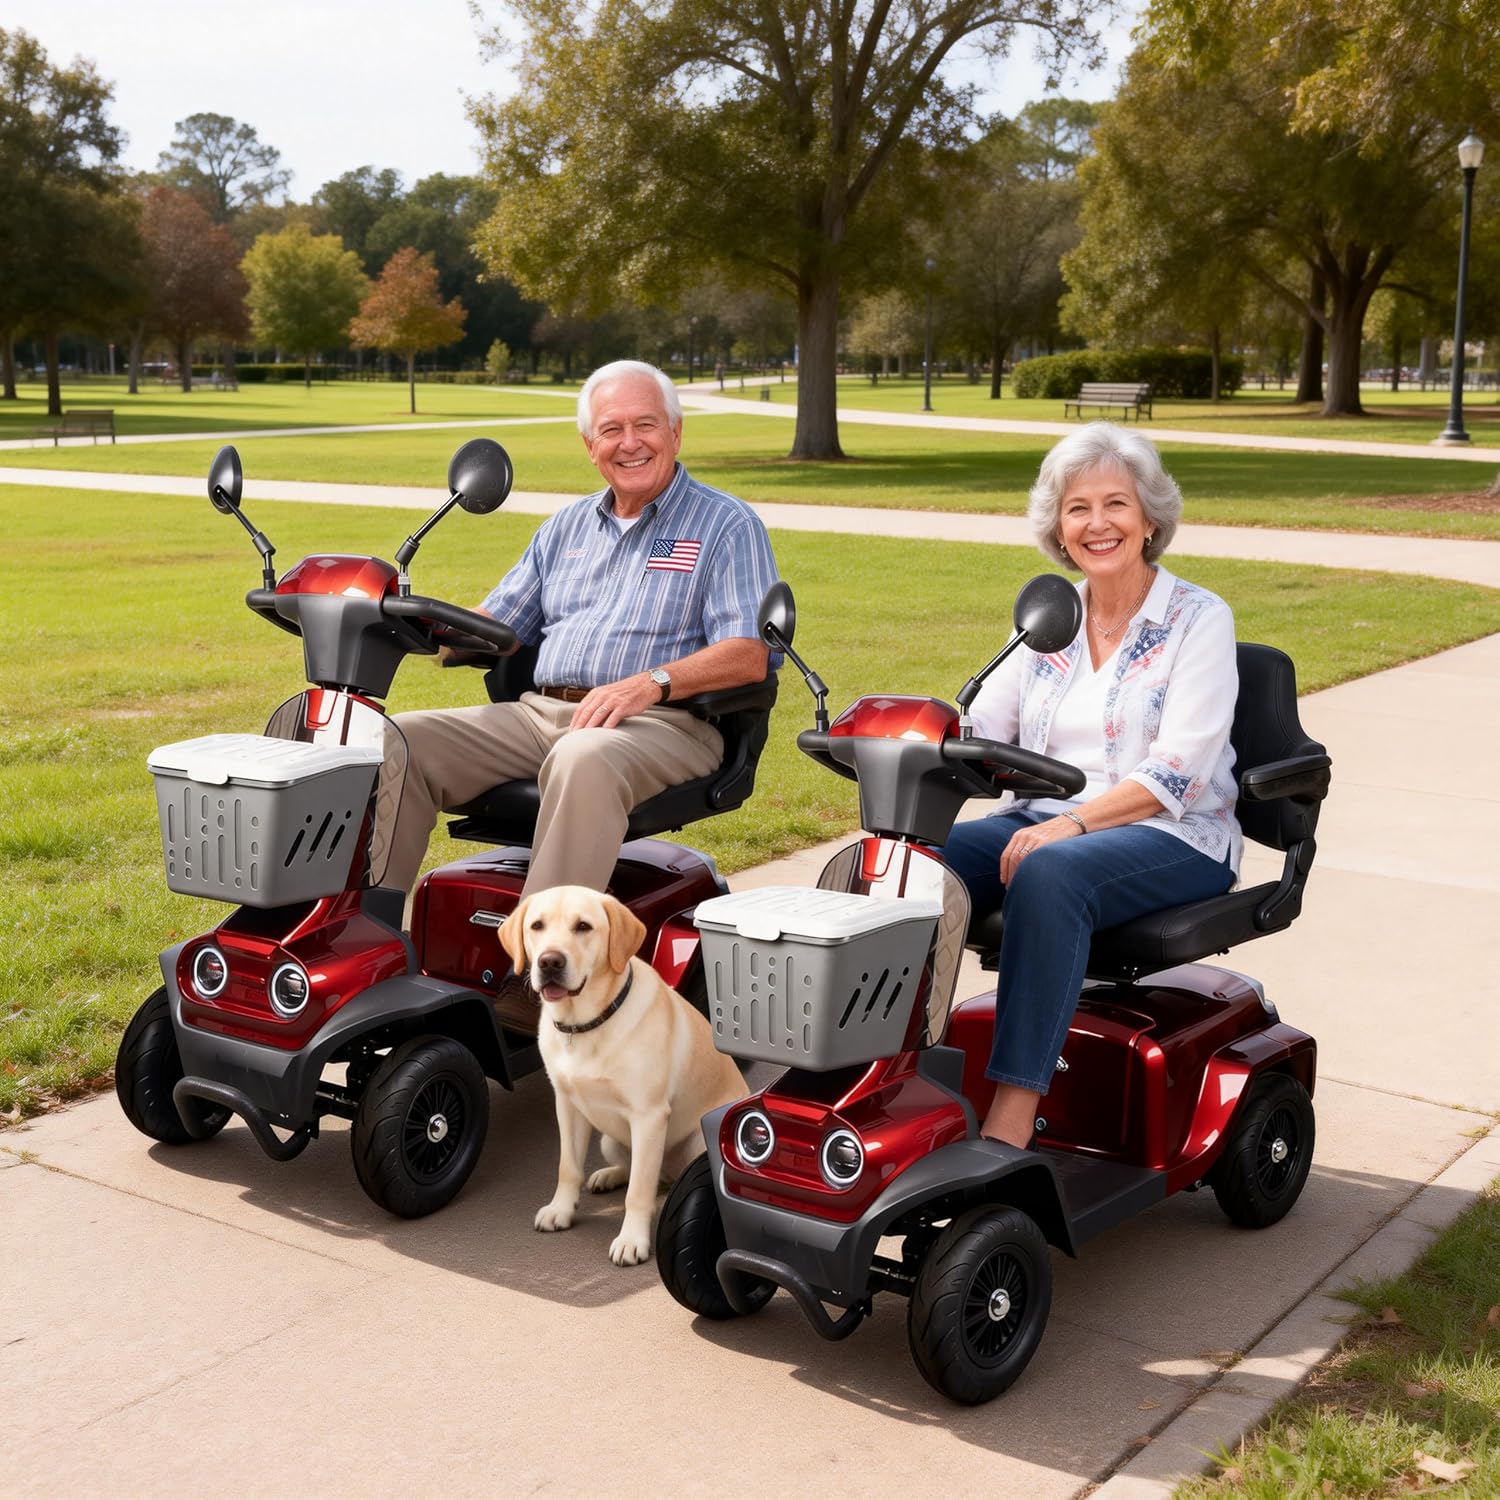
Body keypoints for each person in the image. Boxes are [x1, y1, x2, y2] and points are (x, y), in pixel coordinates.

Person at [378, 359, 779, 900]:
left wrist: (648, 683)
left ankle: (545, 970)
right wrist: (415, 621)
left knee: (582, 755)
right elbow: (500, 628)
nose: (629, 442)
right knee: (397, 737)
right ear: (591, 446)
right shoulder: (563, 527)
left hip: (665, 724)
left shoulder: (726, 524)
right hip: (540, 714)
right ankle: (370, 930)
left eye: (646, 425)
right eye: (611, 430)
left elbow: (748, 653)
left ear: (676, 432)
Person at [943, 422, 1240, 1148]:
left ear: (1149, 519)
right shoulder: (1050, 621)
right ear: (1059, 527)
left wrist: (1072, 826)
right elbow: (986, 723)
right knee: (920, 863)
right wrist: (925, 734)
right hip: (1045, 820)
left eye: (1116, 504)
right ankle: (893, 1070)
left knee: (1051, 871)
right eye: (1078, 508)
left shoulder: (1198, 619)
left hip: (1175, 831)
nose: (1097, 523)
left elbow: (1179, 769)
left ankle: (1011, 1118)